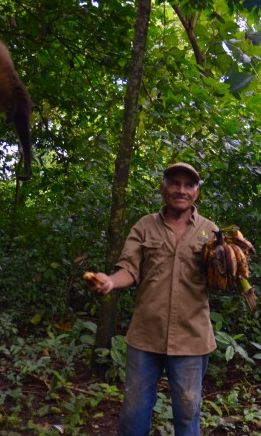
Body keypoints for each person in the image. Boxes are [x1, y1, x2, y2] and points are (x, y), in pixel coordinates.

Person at [89, 162, 218, 436]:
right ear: (162, 189)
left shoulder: (210, 232)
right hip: (146, 336)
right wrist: (110, 281)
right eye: (174, 183)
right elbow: (129, 269)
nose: (181, 190)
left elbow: (220, 279)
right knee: (133, 411)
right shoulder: (145, 226)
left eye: (189, 185)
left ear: (196, 192)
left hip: (191, 338)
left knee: (188, 412)